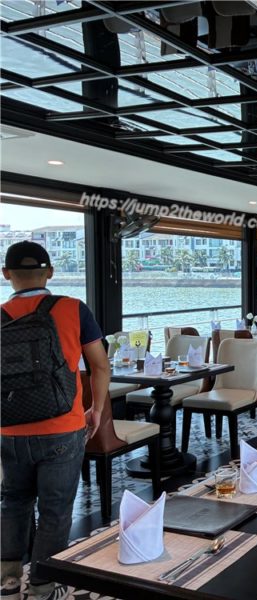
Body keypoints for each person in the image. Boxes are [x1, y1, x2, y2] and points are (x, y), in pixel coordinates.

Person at [1, 241, 109, 600]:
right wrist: (96, 409)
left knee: (13, 502)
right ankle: (44, 585)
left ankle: (7, 580)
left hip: (9, 430)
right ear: (49, 272)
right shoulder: (74, 309)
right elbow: (100, 365)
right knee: (56, 508)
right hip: (63, 427)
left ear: (6, 274)